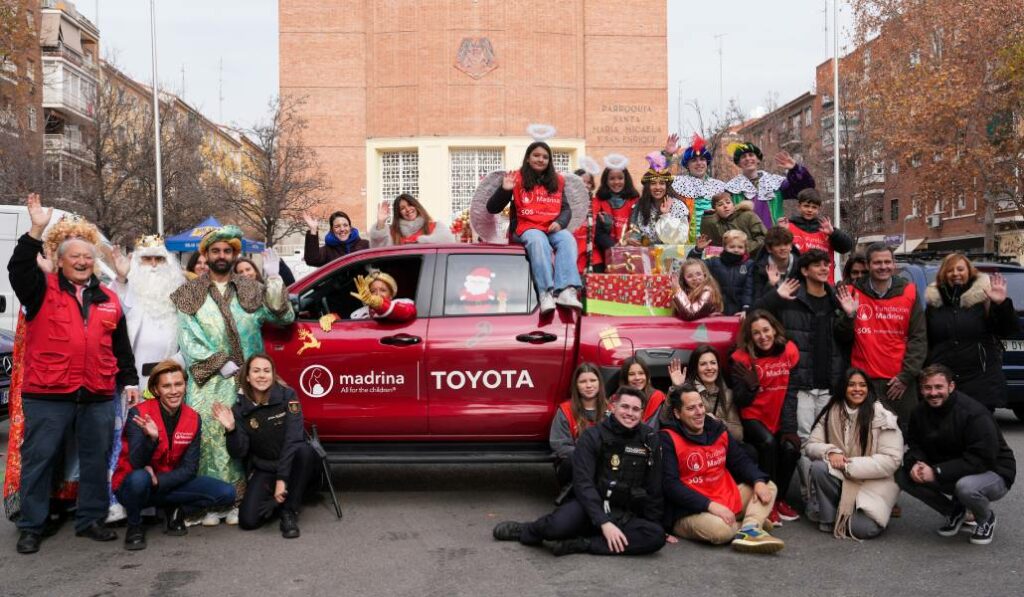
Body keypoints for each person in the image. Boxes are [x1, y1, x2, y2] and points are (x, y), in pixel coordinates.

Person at [10, 194, 140, 554]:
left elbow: (121, 347)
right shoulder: (40, 289)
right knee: (41, 459)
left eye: (88, 257)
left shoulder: (108, 299)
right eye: (75, 257)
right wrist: (36, 229)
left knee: (95, 459)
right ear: (60, 261)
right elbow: (18, 268)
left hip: (97, 392)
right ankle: (32, 525)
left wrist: (129, 382)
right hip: (48, 393)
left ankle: (90, 519)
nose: (83, 262)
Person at [171, 225, 295, 526]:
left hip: (247, 382)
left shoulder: (251, 289)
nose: (222, 256)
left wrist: (275, 280)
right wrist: (219, 362)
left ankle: (239, 500)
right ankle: (209, 503)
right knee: (209, 437)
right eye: (216, 251)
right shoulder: (189, 293)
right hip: (208, 381)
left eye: (227, 251)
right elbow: (188, 338)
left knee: (245, 436)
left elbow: (283, 316)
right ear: (206, 255)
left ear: (235, 254)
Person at [492, 388, 666, 556]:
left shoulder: (649, 439)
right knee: (556, 527)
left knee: (655, 537)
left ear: (642, 413)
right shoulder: (592, 436)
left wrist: (656, 523)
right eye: (625, 407)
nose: (630, 413)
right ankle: (528, 530)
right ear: (613, 407)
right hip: (589, 506)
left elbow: (654, 486)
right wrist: (603, 521)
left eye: (636, 409)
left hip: (624, 511)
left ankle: (582, 544)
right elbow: (584, 483)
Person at [112, 361, 236, 550]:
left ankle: (176, 509)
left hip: (166, 482)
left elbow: (189, 469)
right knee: (140, 477)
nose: (174, 391)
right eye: (166, 386)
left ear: (185, 385)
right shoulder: (140, 413)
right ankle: (135, 526)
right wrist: (151, 440)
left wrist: (159, 482)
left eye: (178, 384)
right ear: (156, 389)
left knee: (227, 493)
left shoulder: (193, 418)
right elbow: (136, 462)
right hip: (132, 485)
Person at [896, 365, 1016, 545]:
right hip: (952, 467)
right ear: (921, 389)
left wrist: (936, 471)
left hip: (994, 471)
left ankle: (985, 518)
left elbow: (982, 459)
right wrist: (916, 462)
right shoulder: (918, 412)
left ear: (951, 387)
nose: (933, 393)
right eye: (928, 388)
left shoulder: (973, 413)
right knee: (903, 476)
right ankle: (955, 511)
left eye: (939, 387)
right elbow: (914, 444)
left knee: (966, 488)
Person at [661, 384, 785, 553]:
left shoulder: (717, 429)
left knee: (768, 486)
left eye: (700, 405)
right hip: (688, 510)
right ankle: (752, 522)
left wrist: (757, 480)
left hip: (724, 496)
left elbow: (741, 461)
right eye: (691, 408)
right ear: (677, 413)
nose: (699, 412)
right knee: (721, 532)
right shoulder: (668, 438)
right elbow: (671, 486)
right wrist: (710, 505)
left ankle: (749, 529)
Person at [213, 355, 320, 539]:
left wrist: (282, 479)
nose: (262, 376)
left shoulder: (288, 396)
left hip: (293, 464)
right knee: (248, 521)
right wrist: (231, 430)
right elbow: (239, 452)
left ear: (272, 374)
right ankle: (282, 498)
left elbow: (293, 440)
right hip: (266, 467)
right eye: (256, 371)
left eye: (266, 371)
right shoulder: (240, 408)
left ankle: (288, 511)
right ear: (247, 377)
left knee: (304, 450)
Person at [835, 242, 927, 430]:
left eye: (887, 262)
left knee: (902, 436)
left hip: (898, 382)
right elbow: (841, 337)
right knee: (863, 435)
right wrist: (849, 315)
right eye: (877, 263)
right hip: (863, 382)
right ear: (868, 266)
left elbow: (919, 337)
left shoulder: (909, 291)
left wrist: (907, 375)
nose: (883, 267)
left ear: (894, 264)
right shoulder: (852, 293)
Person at [805, 368, 903, 539]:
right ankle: (831, 518)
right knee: (819, 467)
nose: (857, 389)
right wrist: (830, 451)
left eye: (862, 385)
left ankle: (846, 513)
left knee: (863, 530)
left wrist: (849, 464)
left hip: (873, 482)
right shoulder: (831, 412)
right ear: (843, 388)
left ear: (868, 388)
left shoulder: (882, 416)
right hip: (842, 476)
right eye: (851, 385)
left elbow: (892, 460)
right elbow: (811, 445)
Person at [487, 141, 582, 313]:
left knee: (567, 239)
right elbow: (492, 208)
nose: (541, 159)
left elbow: (566, 209)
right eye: (536, 155)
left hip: (551, 229)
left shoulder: (557, 180)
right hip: (526, 228)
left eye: (545, 157)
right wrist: (505, 190)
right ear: (528, 158)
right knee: (538, 240)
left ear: (549, 161)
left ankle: (566, 290)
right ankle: (546, 293)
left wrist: (560, 222)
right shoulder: (515, 178)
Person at [730, 310, 801, 526]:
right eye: (756, 333)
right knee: (768, 443)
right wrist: (751, 387)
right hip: (753, 416)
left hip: (779, 414)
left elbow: (791, 392)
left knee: (791, 448)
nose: (763, 336)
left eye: (766, 330)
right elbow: (740, 401)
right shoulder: (741, 358)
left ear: (774, 329)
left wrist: (789, 427)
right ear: (750, 337)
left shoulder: (789, 350)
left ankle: (779, 499)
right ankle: (766, 501)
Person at [924, 254, 1020, 411]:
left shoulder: (984, 300)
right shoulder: (934, 305)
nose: (955, 273)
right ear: (943, 274)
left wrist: (1001, 304)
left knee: (978, 432)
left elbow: (1008, 330)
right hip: (944, 381)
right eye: (950, 270)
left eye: (960, 269)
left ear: (969, 272)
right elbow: (926, 341)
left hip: (979, 380)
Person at [725, 143, 815, 229]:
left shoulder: (774, 183)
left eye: (751, 155)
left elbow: (806, 190)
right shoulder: (731, 189)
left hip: (775, 239)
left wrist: (795, 168)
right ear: (738, 163)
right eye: (743, 157)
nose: (748, 158)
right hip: (745, 240)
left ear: (758, 160)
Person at [550, 363, 609, 488]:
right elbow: (559, 446)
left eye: (593, 380)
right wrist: (588, 455)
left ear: (600, 383)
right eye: (583, 381)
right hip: (575, 465)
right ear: (576, 385)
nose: (588, 385)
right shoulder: (565, 410)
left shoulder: (611, 410)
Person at [668, 345, 744, 442]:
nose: (709, 368)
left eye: (713, 363)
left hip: (720, 446)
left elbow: (739, 434)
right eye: (703, 364)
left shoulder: (727, 394)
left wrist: (717, 421)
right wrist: (676, 388)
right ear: (696, 368)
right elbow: (665, 420)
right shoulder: (686, 391)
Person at [664, 134, 727, 243]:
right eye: (694, 160)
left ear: (706, 162)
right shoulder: (678, 183)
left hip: (715, 242)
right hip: (686, 242)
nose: (699, 163)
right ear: (687, 165)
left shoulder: (720, 186)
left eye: (702, 159)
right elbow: (655, 176)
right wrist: (667, 155)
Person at [785, 188, 854, 283]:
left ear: (819, 209)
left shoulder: (826, 229)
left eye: (814, 207)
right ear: (799, 206)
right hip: (797, 284)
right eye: (806, 206)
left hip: (824, 287)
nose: (809, 210)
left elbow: (846, 247)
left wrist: (833, 233)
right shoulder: (788, 227)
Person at [318, 269, 416, 330]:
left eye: (383, 290)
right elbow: (347, 326)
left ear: (391, 294)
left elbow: (407, 313)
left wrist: (378, 303)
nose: (378, 294)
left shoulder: (403, 303)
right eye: (373, 291)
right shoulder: (359, 314)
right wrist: (332, 317)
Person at [587, 159, 640, 271]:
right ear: (606, 181)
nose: (616, 182)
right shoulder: (598, 201)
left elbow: (637, 226)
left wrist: (629, 241)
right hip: (604, 251)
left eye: (620, 178)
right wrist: (606, 228)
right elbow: (595, 232)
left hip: (628, 251)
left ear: (626, 180)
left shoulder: (634, 201)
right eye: (612, 178)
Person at [625, 153, 689, 246]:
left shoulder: (678, 206)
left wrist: (666, 215)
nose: (658, 187)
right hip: (645, 255)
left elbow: (677, 240)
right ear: (648, 187)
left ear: (667, 186)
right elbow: (635, 232)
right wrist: (632, 239)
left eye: (662, 183)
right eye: (653, 183)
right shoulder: (640, 205)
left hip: (671, 256)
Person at [688, 230, 752, 316]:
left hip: (739, 311)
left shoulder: (749, 265)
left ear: (745, 248)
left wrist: (746, 309)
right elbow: (693, 265)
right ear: (724, 247)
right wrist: (698, 250)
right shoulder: (715, 262)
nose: (736, 250)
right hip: (717, 310)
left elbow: (748, 289)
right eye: (732, 247)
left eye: (740, 247)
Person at [370, 193, 455, 247]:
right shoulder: (393, 232)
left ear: (416, 206)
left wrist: (420, 242)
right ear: (398, 213)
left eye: (410, 205)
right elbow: (379, 252)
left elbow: (449, 246)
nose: (408, 209)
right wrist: (380, 222)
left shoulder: (435, 226)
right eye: (402, 208)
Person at [746, 225, 801, 303]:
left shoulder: (801, 266)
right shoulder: (759, 268)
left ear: (791, 246)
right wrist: (770, 284)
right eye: (778, 245)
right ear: (769, 249)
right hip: (770, 311)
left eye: (786, 244)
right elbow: (758, 302)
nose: (783, 248)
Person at [700, 192, 766, 255]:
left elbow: (763, 237)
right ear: (715, 209)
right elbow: (710, 243)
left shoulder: (748, 215)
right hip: (728, 261)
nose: (725, 206)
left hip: (752, 258)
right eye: (720, 205)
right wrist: (708, 218)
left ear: (733, 205)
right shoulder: (714, 222)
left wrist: (742, 249)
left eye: (728, 203)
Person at [302, 210, 369, 268]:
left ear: (350, 228)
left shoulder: (365, 245)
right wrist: (313, 230)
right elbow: (312, 260)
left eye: (345, 225)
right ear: (332, 230)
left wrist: (379, 226)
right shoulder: (327, 250)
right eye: (337, 226)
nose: (342, 229)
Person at [619, 357, 666, 429]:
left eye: (641, 373)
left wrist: (676, 387)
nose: (637, 378)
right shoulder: (617, 399)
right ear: (625, 378)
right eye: (631, 374)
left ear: (647, 376)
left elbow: (666, 417)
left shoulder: (656, 396)